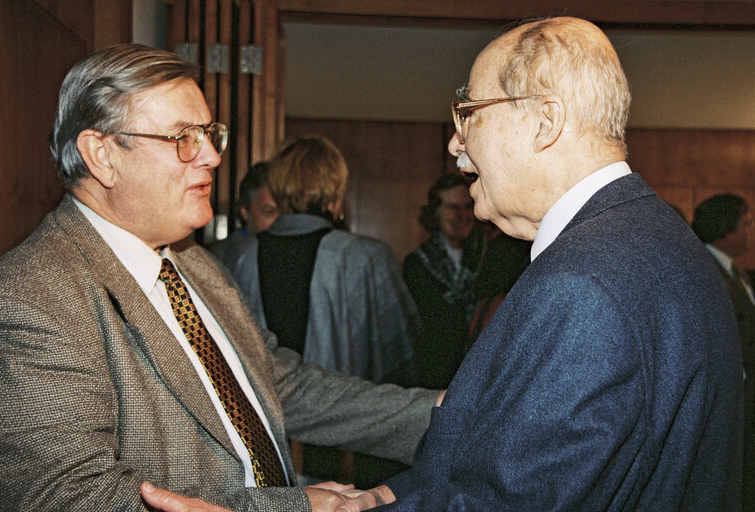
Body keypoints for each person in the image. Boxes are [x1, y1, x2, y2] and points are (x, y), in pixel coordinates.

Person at [138, 16, 744, 512]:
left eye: (469, 114)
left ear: (545, 121)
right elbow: (509, 461)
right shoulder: (651, 236)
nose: (455, 144)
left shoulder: (585, 286)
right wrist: (388, 493)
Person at [0, 44, 441, 512]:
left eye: (208, 133)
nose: (210, 156)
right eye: (183, 137)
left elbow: (280, 385)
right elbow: (64, 496)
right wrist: (296, 507)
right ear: (101, 155)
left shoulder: (191, 260)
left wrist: (450, 411)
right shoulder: (29, 297)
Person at [232, 136, 421, 486]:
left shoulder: (237, 256)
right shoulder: (366, 256)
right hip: (347, 440)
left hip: (257, 449)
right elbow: (401, 359)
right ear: (336, 191)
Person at [692, 193, 755, 511]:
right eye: (746, 224)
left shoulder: (736, 272)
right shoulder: (703, 271)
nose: (750, 231)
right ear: (725, 228)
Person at [403, 173, 480, 388]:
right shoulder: (417, 264)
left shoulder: (485, 258)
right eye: (452, 207)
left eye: (467, 207)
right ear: (435, 213)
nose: (462, 215)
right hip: (433, 377)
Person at [208, 161, 279, 272]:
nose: (280, 220)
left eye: (286, 211)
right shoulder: (216, 259)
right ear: (245, 211)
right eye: (269, 212)